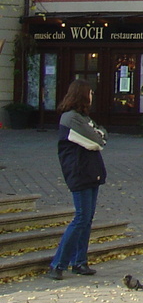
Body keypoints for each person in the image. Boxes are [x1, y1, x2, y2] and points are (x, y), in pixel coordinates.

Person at [47, 79, 107, 280]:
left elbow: (102, 136)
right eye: (89, 92)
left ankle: (79, 262)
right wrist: (98, 136)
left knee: (87, 219)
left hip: (91, 171)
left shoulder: (82, 117)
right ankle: (58, 264)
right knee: (81, 217)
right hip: (79, 172)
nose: (92, 96)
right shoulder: (71, 118)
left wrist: (98, 136)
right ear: (82, 95)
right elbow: (96, 140)